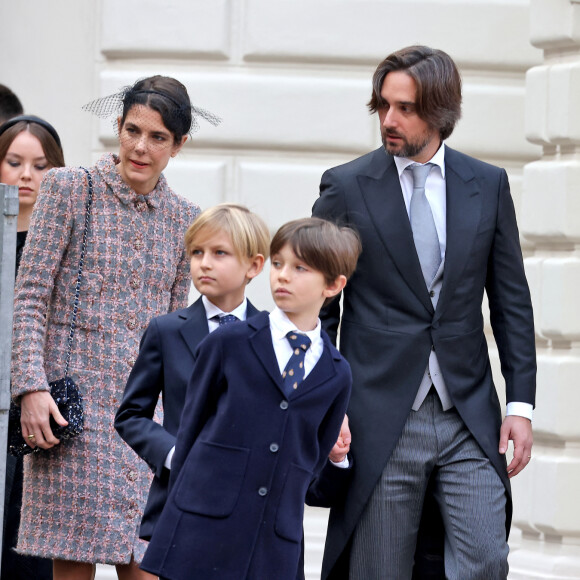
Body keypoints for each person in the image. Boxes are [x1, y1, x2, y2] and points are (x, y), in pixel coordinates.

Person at [312, 45, 536, 580]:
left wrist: (521, 404)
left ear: (440, 112)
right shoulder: (345, 186)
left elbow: (511, 302)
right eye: (384, 105)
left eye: (406, 108)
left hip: (469, 414)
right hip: (381, 415)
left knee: (485, 560)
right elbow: (320, 308)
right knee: (379, 569)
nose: (389, 120)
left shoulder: (487, 184)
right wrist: (326, 402)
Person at [10, 75, 219, 580]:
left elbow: (178, 333)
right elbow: (30, 296)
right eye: (132, 130)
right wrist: (31, 389)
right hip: (72, 414)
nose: (141, 147)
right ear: (118, 127)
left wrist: (182, 428)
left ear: (179, 145)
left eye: (158, 138)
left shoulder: (185, 219)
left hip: (144, 423)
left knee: (147, 565)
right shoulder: (68, 188)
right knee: (74, 568)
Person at [139, 217, 362, 580]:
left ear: (334, 285)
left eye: (300, 267)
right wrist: (179, 519)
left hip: (273, 550)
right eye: (277, 263)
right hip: (201, 535)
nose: (282, 276)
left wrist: (339, 461)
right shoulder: (228, 343)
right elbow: (190, 433)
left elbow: (313, 470)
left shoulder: (337, 373)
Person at [114, 202, 269, 540]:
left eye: (220, 253)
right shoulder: (165, 331)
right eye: (197, 252)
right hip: (182, 506)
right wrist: (174, 455)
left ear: (253, 265)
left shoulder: (272, 335)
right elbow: (130, 415)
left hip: (251, 511)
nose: (204, 263)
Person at [0, 114, 64, 579]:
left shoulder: (65, 242)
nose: (26, 175)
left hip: (36, 408)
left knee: (31, 546)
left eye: (40, 165)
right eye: (14, 162)